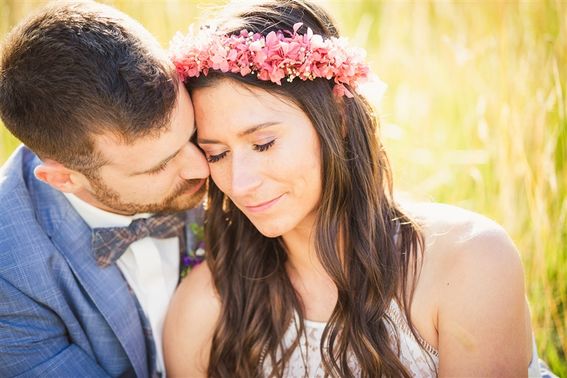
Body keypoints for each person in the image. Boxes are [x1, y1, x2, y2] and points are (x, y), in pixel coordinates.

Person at [163, 0, 553, 377]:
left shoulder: (470, 262)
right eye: (217, 154)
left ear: (339, 117)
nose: (241, 182)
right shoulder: (203, 313)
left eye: (264, 144)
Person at [0, 1, 208, 377]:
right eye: (160, 165)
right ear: (64, 179)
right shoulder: (9, 271)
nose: (202, 166)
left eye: (192, 133)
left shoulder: (228, 133)